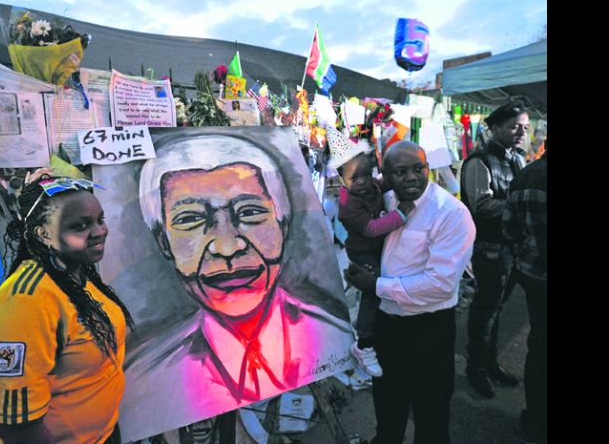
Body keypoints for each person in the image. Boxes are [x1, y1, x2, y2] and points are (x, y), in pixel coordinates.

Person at [122, 134, 354, 437]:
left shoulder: (330, 335)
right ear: (164, 242)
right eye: (191, 219)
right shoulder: (148, 378)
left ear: (283, 225)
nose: (227, 246)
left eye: (250, 212)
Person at [0, 173, 134, 444]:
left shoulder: (76, 275)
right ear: (44, 234)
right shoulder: (24, 306)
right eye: (81, 225)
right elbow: (17, 429)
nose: (100, 231)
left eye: (99, 219)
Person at [345, 141, 475, 444]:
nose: (412, 177)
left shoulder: (451, 213)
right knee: (388, 410)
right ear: (386, 175)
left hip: (428, 331)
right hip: (387, 327)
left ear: (428, 168)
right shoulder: (384, 201)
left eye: (419, 168)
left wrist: (375, 285)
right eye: (400, 171)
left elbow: (440, 284)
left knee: (430, 418)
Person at [327, 132, 415, 377]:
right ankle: (364, 343)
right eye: (355, 178)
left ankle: (379, 328)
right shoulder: (349, 206)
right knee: (373, 289)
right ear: (341, 179)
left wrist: (402, 180)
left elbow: (382, 183)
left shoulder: (370, 185)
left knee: (386, 284)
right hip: (363, 252)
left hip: (377, 247)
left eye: (367, 174)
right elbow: (371, 228)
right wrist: (400, 215)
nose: (364, 182)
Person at [460, 101, 529, 398]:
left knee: (497, 308)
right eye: (514, 126)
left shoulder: (519, 159)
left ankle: (490, 363)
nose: (521, 132)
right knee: (485, 308)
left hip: (511, 246)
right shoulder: (480, 160)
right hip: (489, 247)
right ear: (495, 127)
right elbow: (480, 205)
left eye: (524, 127)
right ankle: (476, 368)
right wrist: (517, 207)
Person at [503, 143, 547, 444]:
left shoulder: (525, 175)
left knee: (540, 347)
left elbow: (509, 229)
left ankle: (535, 421)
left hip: (535, 275)